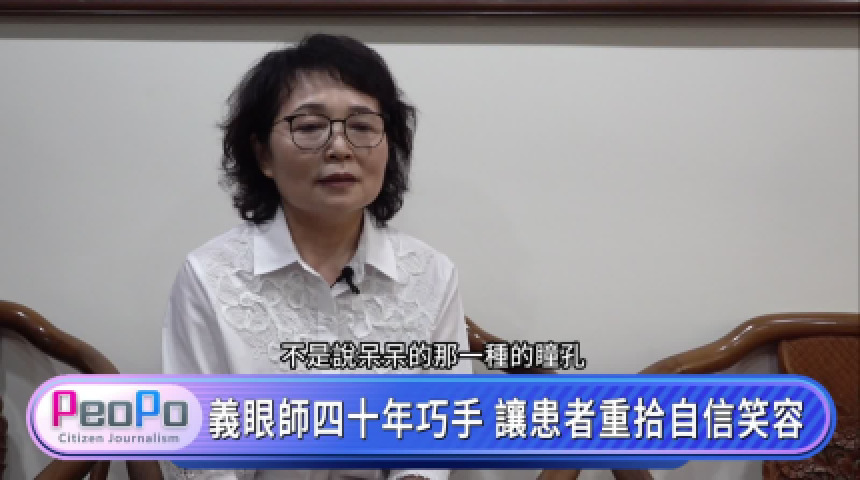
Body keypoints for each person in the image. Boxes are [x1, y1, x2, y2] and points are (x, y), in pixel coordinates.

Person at [161, 33, 472, 480]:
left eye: (362, 127)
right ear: (263, 155)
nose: (340, 148)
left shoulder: (431, 274)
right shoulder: (209, 276)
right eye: (309, 127)